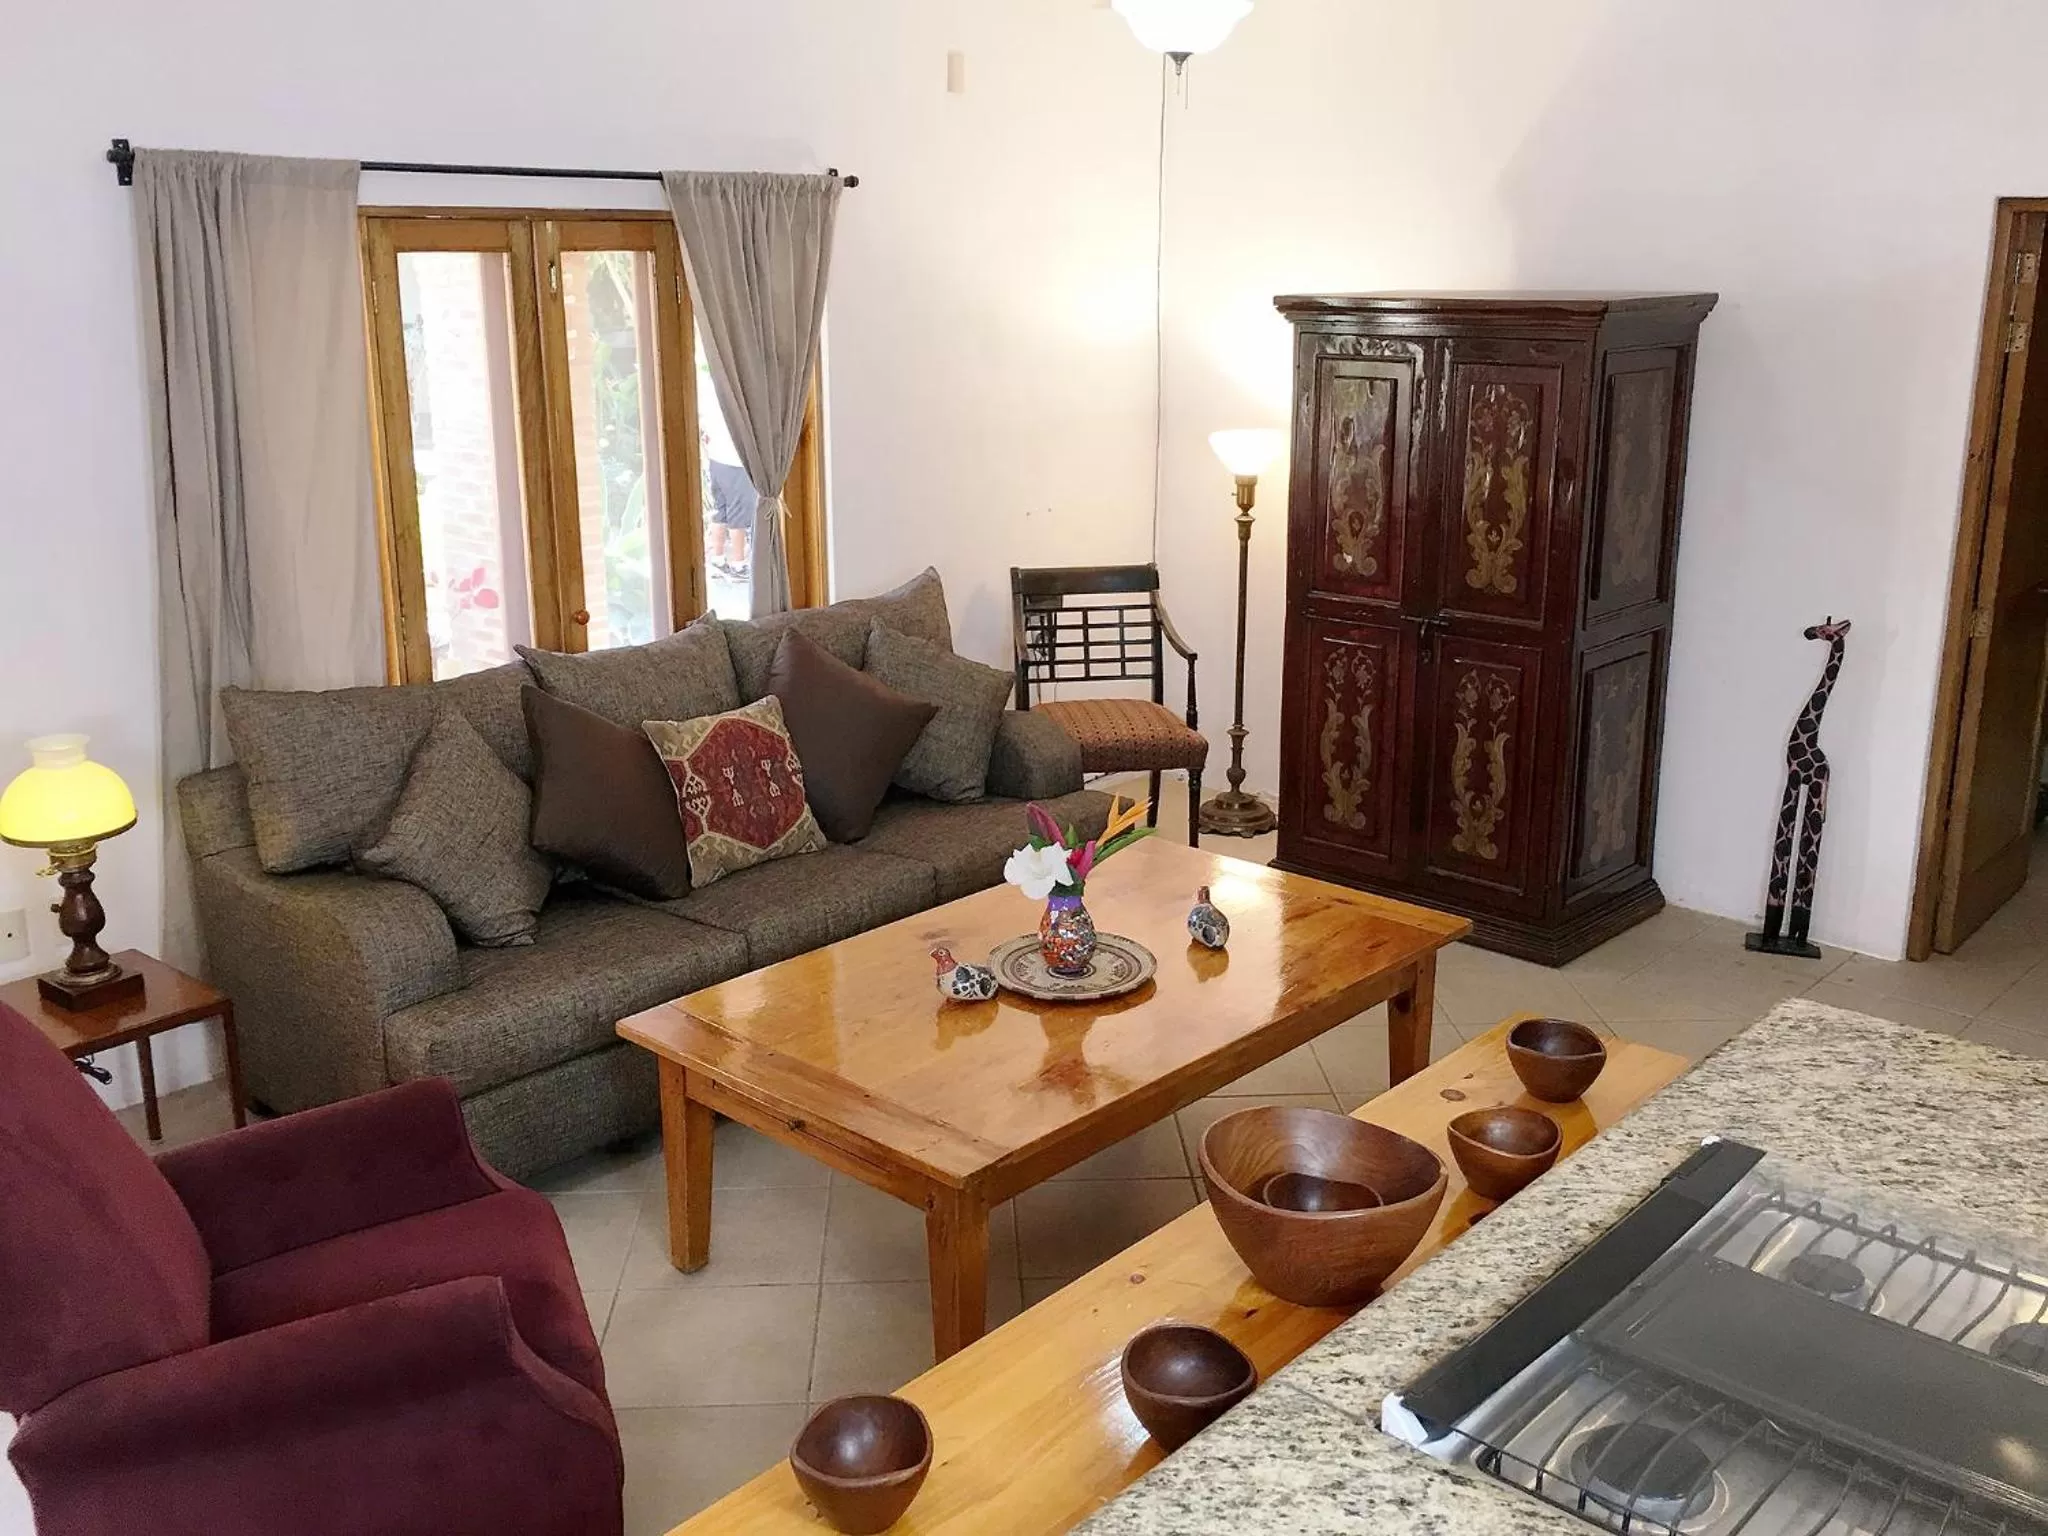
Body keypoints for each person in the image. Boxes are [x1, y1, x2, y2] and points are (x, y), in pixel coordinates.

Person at [703, 419, 757, 580]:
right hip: (734, 460)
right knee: (737, 512)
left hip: (716, 458)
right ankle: (738, 564)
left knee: (721, 510)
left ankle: (717, 559)